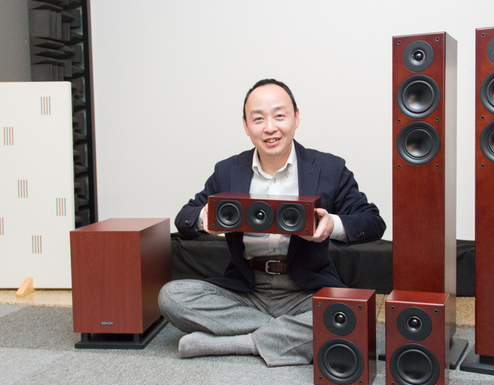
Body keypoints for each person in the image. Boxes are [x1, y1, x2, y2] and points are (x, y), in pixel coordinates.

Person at [158, 78, 386, 367]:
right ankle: (286, 335)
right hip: (246, 289)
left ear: (296, 118)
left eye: (279, 116)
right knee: (171, 296)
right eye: (258, 119)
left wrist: (332, 225)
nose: (269, 128)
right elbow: (185, 217)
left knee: (355, 315)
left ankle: (240, 343)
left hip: (306, 289)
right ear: (246, 125)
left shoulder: (329, 169)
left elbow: (372, 221)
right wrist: (205, 219)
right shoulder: (228, 171)